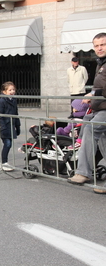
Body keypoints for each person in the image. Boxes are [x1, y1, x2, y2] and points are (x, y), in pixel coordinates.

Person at [66, 33, 106, 194]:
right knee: (98, 134)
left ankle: (83, 171)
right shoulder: (101, 63)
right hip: (99, 108)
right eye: (96, 45)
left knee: (90, 127)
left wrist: (94, 95)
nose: (99, 48)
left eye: (103, 44)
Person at [0, 81, 20, 171]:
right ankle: (3, 163)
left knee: (9, 144)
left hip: (11, 125)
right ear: (4, 91)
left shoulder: (13, 99)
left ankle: (4, 162)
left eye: (13, 89)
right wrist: (2, 127)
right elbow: (0, 115)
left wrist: (18, 126)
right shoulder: (1, 100)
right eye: (10, 90)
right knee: (7, 143)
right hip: (4, 126)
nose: (12, 91)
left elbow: (16, 113)